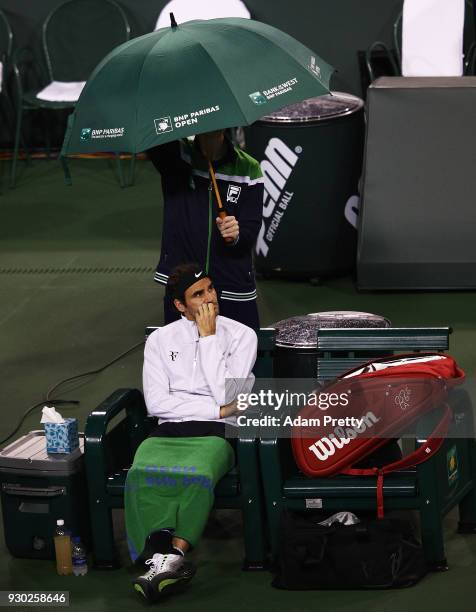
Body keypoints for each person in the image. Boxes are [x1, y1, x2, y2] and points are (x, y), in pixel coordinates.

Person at [127, 263, 257, 602]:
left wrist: (210, 338)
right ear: (180, 306)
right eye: (197, 295)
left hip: (217, 433)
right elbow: (157, 404)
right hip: (168, 430)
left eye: (211, 289)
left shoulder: (242, 336)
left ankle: (169, 555)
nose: (209, 298)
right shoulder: (159, 341)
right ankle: (164, 557)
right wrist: (215, 409)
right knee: (142, 473)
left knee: (196, 474)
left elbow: (229, 394)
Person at [147, 129, 264, 329]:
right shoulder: (175, 156)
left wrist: (237, 235)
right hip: (185, 284)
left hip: (233, 284)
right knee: (183, 356)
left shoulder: (248, 168)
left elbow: (250, 229)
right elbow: (151, 135)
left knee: (243, 353)